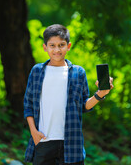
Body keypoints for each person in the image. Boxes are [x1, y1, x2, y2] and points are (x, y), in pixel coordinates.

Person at [24, 24, 113, 165]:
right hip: (43, 140)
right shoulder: (37, 71)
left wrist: (100, 94)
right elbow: (28, 104)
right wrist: (34, 132)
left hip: (72, 143)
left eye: (61, 45)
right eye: (52, 45)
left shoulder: (78, 73)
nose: (57, 49)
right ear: (45, 47)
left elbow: (84, 106)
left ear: (68, 46)